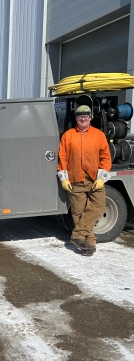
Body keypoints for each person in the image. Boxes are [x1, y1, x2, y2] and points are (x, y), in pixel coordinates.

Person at [57, 104, 112, 256]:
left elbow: (106, 157)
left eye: (86, 116)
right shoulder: (68, 135)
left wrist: (102, 178)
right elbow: (62, 157)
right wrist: (64, 177)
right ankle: (88, 245)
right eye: (80, 116)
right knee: (78, 213)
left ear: (91, 118)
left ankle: (77, 235)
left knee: (98, 207)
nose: (83, 118)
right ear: (76, 118)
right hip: (75, 179)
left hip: (95, 179)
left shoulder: (98, 135)